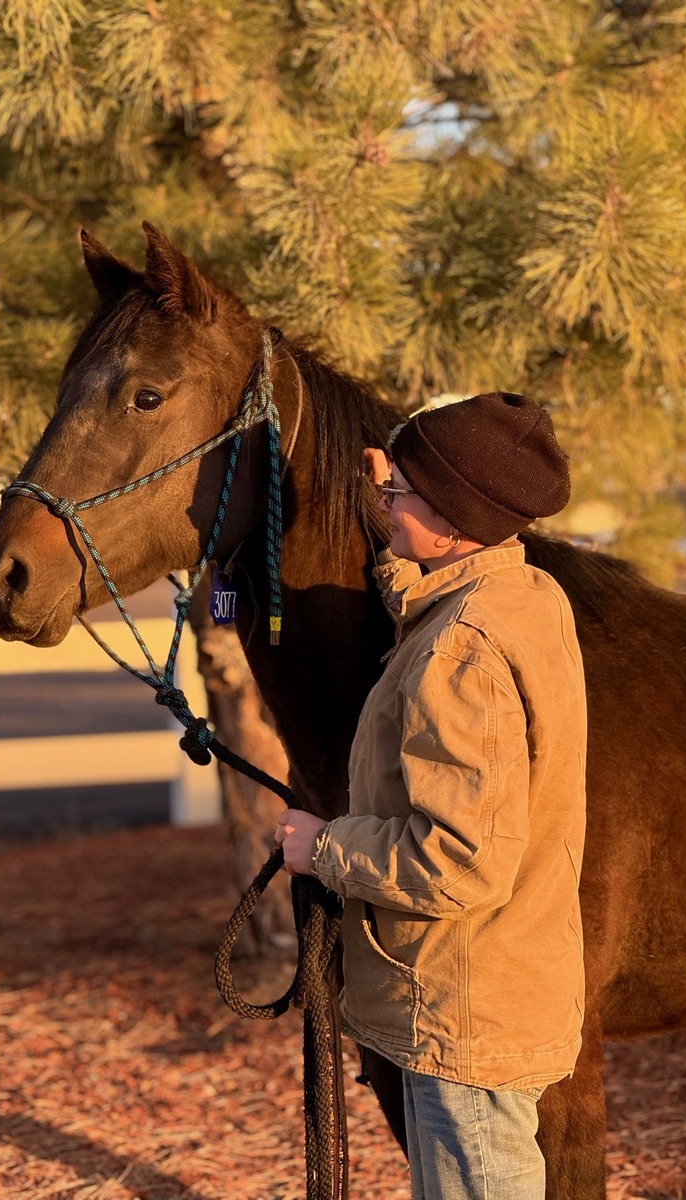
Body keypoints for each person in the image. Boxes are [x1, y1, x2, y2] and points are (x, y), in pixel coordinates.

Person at [275, 392, 587, 1200]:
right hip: (502, 982)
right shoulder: (524, 597)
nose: (385, 503)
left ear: (452, 520)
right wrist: (399, 517)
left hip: (459, 1008)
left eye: (399, 494)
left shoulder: (461, 655)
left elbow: (460, 862)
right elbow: (433, 608)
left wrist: (324, 848)